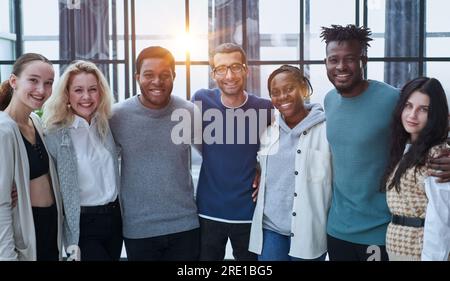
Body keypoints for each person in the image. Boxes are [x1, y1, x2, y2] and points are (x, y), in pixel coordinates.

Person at [320, 24, 450, 261]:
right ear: (325, 62)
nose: (340, 66)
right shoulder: (328, 100)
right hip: (337, 229)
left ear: (363, 60)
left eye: (349, 59)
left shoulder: (391, 98)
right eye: (333, 59)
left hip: (380, 232)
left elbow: (430, 123)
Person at [109, 46, 201, 261]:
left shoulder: (187, 111)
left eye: (165, 75)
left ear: (174, 77)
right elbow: (97, 161)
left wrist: (256, 166)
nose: (157, 82)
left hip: (185, 225)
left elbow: (214, 157)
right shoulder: (117, 116)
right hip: (139, 229)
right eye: (149, 75)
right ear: (137, 77)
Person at [192, 42, 273, 261]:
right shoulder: (201, 100)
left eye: (236, 67)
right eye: (221, 69)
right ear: (213, 73)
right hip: (208, 210)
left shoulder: (264, 108)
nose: (229, 75)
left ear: (246, 70)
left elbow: (275, 152)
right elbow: (196, 143)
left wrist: (260, 168)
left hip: (249, 212)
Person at [248, 65, 332, 261]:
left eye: (289, 89)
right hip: (271, 230)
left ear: (303, 88)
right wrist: (258, 172)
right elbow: (261, 164)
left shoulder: (327, 130)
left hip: (309, 231)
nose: (282, 96)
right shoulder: (269, 132)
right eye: (275, 92)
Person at [42, 60, 122, 261]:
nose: (86, 97)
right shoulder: (54, 134)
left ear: (100, 92)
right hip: (83, 224)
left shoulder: (106, 125)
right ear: (67, 94)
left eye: (92, 89)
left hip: (115, 218)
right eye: (78, 90)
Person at [0, 53, 63, 261]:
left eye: (48, 83)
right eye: (33, 80)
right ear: (14, 81)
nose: (42, 90)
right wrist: (7, 256)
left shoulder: (35, 121)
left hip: (48, 232)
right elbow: (1, 205)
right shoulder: (4, 130)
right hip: (25, 238)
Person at [382, 77, 450, 261]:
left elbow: (441, 217)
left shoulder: (438, 155)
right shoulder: (405, 148)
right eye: (408, 106)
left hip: (419, 251)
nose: (412, 115)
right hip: (399, 249)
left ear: (435, 115)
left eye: (423, 109)